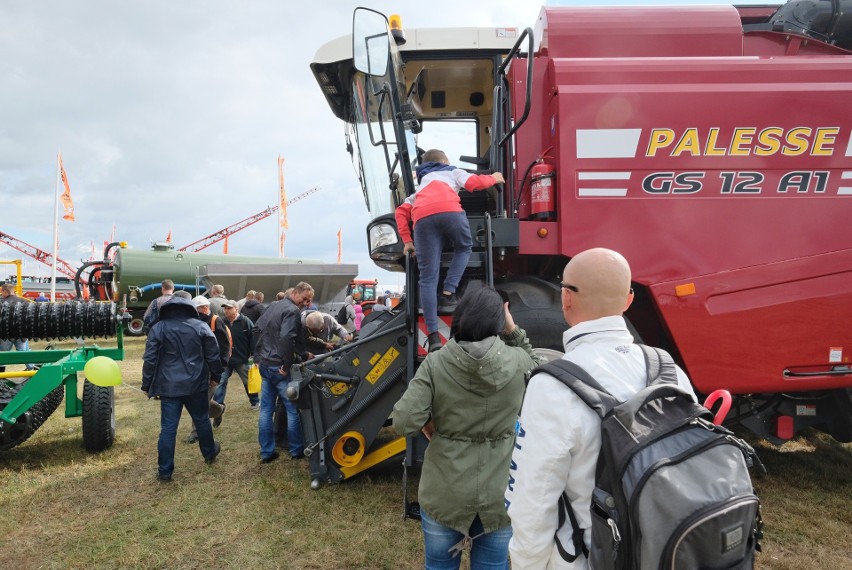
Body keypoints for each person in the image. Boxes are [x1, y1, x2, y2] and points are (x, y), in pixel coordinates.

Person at [504, 248, 697, 569]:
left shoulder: (551, 385)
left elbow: (532, 503)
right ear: (629, 300)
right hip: (664, 548)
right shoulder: (670, 370)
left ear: (566, 298)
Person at [392, 287, 539, 569]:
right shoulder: (519, 361)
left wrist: (429, 423)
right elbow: (534, 360)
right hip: (500, 494)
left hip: (444, 493)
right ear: (499, 321)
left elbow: (403, 420)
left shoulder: (436, 364)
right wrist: (512, 329)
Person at [394, 148, 505, 353]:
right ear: (445, 160)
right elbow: (474, 184)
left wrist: (407, 241)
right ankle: (448, 290)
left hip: (423, 219)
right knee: (464, 247)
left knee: (427, 279)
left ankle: (433, 336)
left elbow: (401, 211)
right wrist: (495, 178)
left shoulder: (420, 188)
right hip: (451, 213)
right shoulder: (452, 171)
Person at [141, 295, 224, 482]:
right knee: (201, 420)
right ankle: (209, 453)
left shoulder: (158, 328)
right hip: (196, 384)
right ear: (189, 308)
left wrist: (146, 384)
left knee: (168, 429)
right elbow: (213, 354)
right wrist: (216, 377)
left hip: (169, 386)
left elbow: (150, 358)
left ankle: (165, 471)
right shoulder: (200, 326)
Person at [253, 281, 314, 462]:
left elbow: (257, 329)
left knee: (266, 410)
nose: (306, 303)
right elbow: (287, 337)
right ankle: (296, 450)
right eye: (305, 299)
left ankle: (266, 452)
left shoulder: (273, 306)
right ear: (296, 293)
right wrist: (287, 364)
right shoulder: (292, 311)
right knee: (292, 409)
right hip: (278, 368)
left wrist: (259, 355)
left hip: (265, 364)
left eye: (309, 301)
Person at [184, 295, 232, 442]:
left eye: (196, 309)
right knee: (197, 399)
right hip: (196, 367)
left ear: (205, 308)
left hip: (212, 368)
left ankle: (196, 432)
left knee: (200, 401)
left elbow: (224, 347)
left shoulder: (215, 321)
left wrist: (220, 369)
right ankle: (218, 409)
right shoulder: (194, 321)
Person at [213, 300, 259, 410]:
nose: (226, 310)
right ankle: (218, 405)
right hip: (225, 359)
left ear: (236, 308)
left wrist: (253, 355)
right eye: (225, 308)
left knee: (248, 382)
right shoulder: (222, 322)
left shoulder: (245, 321)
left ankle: (255, 402)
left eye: (229, 308)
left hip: (242, 359)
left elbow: (253, 339)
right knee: (221, 381)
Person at [0, 283, 34, 372]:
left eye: (1, 292)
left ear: (5, 291)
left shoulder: (2, 303)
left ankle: (1, 373)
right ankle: (32, 369)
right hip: (21, 334)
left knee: (3, 354)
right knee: (24, 353)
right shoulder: (24, 302)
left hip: (6, 335)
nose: (1, 294)